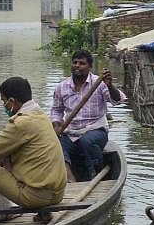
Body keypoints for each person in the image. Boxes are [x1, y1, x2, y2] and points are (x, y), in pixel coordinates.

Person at [0, 77, 67, 225]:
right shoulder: (41, 116)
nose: (4, 106)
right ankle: (43, 213)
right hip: (57, 194)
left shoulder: (21, 123)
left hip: (35, 197)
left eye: (4, 102)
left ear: (12, 101)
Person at [51, 49, 126, 182]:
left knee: (87, 141)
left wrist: (110, 86)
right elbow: (57, 111)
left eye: (82, 63)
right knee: (55, 145)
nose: (77, 66)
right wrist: (56, 126)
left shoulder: (100, 83)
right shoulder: (61, 87)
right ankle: (70, 179)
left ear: (90, 67)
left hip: (96, 131)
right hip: (72, 132)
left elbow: (118, 100)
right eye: (75, 62)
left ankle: (96, 171)